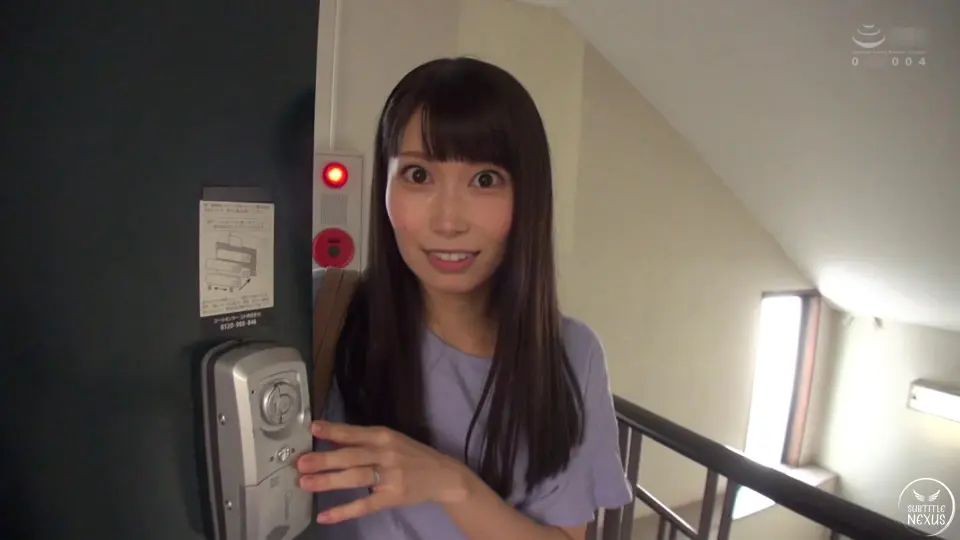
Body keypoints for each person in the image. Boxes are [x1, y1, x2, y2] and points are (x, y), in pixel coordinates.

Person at [297, 57, 632, 539]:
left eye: (485, 180)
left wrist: (452, 484)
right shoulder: (321, 310)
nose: (449, 222)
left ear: (528, 197)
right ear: (384, 188)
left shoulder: (571, 355)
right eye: (418, 175)